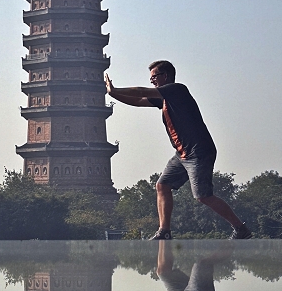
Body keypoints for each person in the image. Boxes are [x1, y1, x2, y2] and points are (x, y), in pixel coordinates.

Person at [105, 59, 252, 240]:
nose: (151, 80)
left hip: (199, 152)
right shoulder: (164, 99)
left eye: (154, 77)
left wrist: (115, 89)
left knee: (203, 196)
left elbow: (141, 91)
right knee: (162, 185)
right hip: (182, 153)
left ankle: (240, 228)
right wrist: (113, 94)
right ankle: (164, 231)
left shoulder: (177, 90)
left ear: (166, 76)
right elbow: (138, 101)